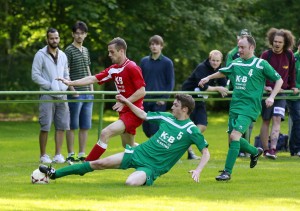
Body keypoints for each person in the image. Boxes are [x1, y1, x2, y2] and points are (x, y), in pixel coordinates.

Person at [39, 94, 210, 186]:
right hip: (138, 152)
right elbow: (143, 115)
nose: (172, 106)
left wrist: (198, 170)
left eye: (176, 105)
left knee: (130, 183)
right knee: (99, 163)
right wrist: (127, 102)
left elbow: (206, 153)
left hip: (152, 167)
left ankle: (143, 177)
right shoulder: (166, 117)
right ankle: (54, 174)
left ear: (185, 109)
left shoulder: (191, 130)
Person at [199, 35, 283, 181]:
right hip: (235, 106)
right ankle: (255, 151)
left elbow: (279, 79)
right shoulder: (236, 62)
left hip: (249, 107)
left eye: (242, 47)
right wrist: (208, 78)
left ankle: (227, 172)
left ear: (252, 48)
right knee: (233, 140)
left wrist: (272, 97)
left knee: (234, 136)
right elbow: (224, 71)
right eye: (238, 47)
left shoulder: (261, 64)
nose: (239, 50)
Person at [57, 37, 146, 162]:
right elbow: (93, 79)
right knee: (128, 146)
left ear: (121, 51)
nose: (109, 54)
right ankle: (153, 154)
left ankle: (86, 165)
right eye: (108, 52)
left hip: (134, 113)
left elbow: (142, 91)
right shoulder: (114, 69)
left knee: (105, 133)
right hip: (124, 112)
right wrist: (71, 82)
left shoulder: (132, 67)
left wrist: (125, 102)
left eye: (112, 52)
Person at [31, 28, 70, 163]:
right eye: (52, 38)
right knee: (45, 125)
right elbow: (35, 75)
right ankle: (43, 155)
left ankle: (58, 155)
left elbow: (66, 75)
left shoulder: (63, 55)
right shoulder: (40, 54)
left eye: (56, 38)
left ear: (59, 38)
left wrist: (63, 87)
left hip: (62, 95)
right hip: (47, 94)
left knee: (61, 125)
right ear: (47, 39)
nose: (54, 40)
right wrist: (50, 86)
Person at [182, 50, 228, 159]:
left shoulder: (220, 71)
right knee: (188, 125)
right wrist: (217, 88)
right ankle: (190, 152)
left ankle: (185, 141)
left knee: (202, 125)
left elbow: (224, 85)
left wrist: (223, 89)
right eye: (213, 60)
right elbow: (204, 86)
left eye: (217, 61)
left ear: (221, 61)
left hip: (199, 99)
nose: (215, 63)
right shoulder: (201, 67)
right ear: (209, 59)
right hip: (188, 97)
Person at [259, 28, 297, 159]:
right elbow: (259, 74)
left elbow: (292, 72)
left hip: (281, 94)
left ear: (285, 43)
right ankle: (265, 150)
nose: (277, 44)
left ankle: (273, 149)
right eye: (275, 41)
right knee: (266, 120)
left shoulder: (289, 55)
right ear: (271, 41)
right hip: (267, 94)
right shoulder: (266, 55)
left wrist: (293, 86)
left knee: (277, 119)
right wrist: (264, 86)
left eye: (280, 42)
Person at [64, 21, 93, 162]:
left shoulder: (86, 50)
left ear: (85, 35)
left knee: (85, 125)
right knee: (72, 125)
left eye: (82, 33)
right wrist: (72, 90)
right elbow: (66, 72)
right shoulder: (68, 50)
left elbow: (88, 70)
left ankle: (82, 153)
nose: (79, 36)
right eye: (77, 33)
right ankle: (71, 153)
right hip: (75, 93)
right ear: (73, 34)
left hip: (88, 93)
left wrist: (92, 89)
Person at [226, 29, 254, 157]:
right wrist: (238, 84)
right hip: (237, 93)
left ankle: (246, 151)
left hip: (248, 98)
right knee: (232, 129)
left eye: (247, 36)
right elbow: (229, 71)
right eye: (242, 35)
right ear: (238, 37)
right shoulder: (232, 54)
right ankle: (236, 151)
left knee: (246, 127)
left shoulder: (251, 53)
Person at [140, 35, 174, 138]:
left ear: (161, 46)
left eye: (157, 44)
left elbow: (170, 82)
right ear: (149, 46)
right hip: (145, 99)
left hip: (159, 100)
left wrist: (164, 99)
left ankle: (155, 152)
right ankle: (156, 150)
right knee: (146, 129)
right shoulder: (144, 61)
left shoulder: (167, 62)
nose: (154, 46)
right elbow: (139, 80)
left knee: (154, 129)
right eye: (152, 44)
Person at [287, 38, 300, 156]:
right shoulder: (293, 58)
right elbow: (290, 76)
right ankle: (295, 149)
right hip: (294, 95)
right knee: (297, 120)